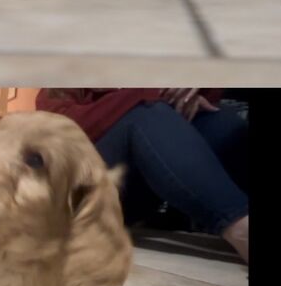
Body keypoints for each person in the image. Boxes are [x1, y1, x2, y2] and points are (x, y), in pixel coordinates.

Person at [36, 88, 249, 263]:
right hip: (85, 196)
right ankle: (240, 229)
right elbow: (69, 133)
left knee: (223, 123)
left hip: (139, 190)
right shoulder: (56, 91)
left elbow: (210, 96)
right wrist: (149, 94)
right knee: (146, 113)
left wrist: (189, 90)